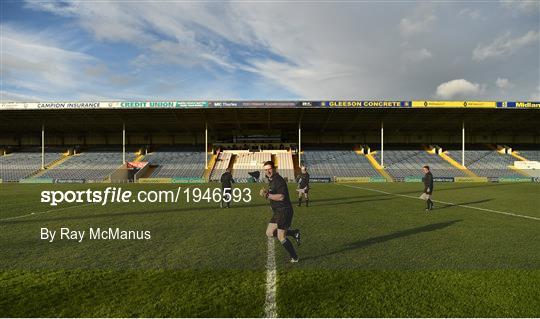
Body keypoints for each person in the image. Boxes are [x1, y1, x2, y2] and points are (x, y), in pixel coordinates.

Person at [259, 160, 301, 263]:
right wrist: (267, 192)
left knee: (281, 236)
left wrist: (267, 195)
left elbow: (281, 196)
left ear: (274, 169)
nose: (267, 171)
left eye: (269, 169)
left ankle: (295, 257)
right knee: (269, 233)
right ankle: (294, 233)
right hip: (277, 211)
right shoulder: (271, 179)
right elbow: (274, 192)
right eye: (265, 170)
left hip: (284, 211)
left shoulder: (278, 180)